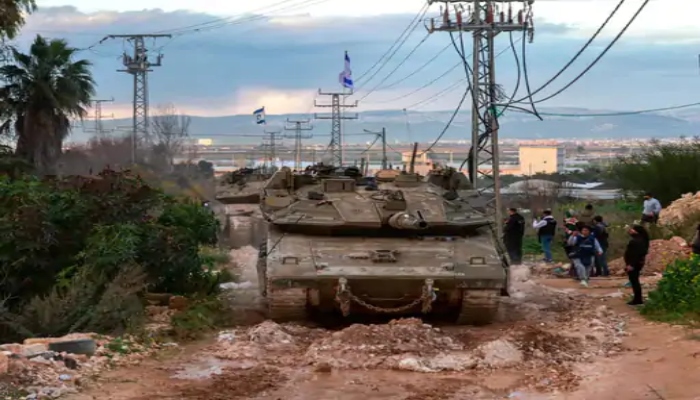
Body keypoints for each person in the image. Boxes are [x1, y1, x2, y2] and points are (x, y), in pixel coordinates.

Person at [624, 224, 650, 305]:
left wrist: (631, 265)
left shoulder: (637, 241)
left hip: (634, 264)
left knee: (634, 281)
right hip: (636, 263)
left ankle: (637, 299)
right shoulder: (641, 240)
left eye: (632, 230)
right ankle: (637, 298)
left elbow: (635, 255)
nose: (630, 231)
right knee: (634, 281)